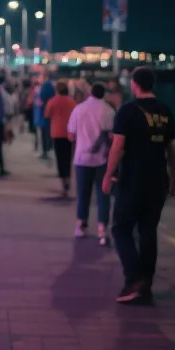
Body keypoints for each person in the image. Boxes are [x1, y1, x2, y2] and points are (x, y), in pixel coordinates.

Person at [102, 66, 175, 305]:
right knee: (148, 231)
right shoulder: (165, 110)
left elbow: (118, 146)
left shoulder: (127, 111)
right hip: (158, 181)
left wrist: (108, 174)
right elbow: (173, 150)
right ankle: (146, 284)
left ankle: (134, 279)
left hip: (133, 179)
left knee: (121, 229)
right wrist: (172, 176)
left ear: (134, 84)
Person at [68, 82, 115, 244]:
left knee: (83, 194)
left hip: (81, 159)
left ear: (90, 93)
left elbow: (71, 136)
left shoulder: (78, 109)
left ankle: (81, 226)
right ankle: (102, 229)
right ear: (104, 94)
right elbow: (112, 137)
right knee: (103, 195)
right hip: (102, 160)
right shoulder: (109, 111)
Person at [45, 80, 77, 196]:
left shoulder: (52, 101)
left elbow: (47, 114)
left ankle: (63, 179)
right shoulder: (72, 102)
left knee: (60, 157)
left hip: (57, 132)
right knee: (68, 156)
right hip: (69, 132)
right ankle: (68, 176)